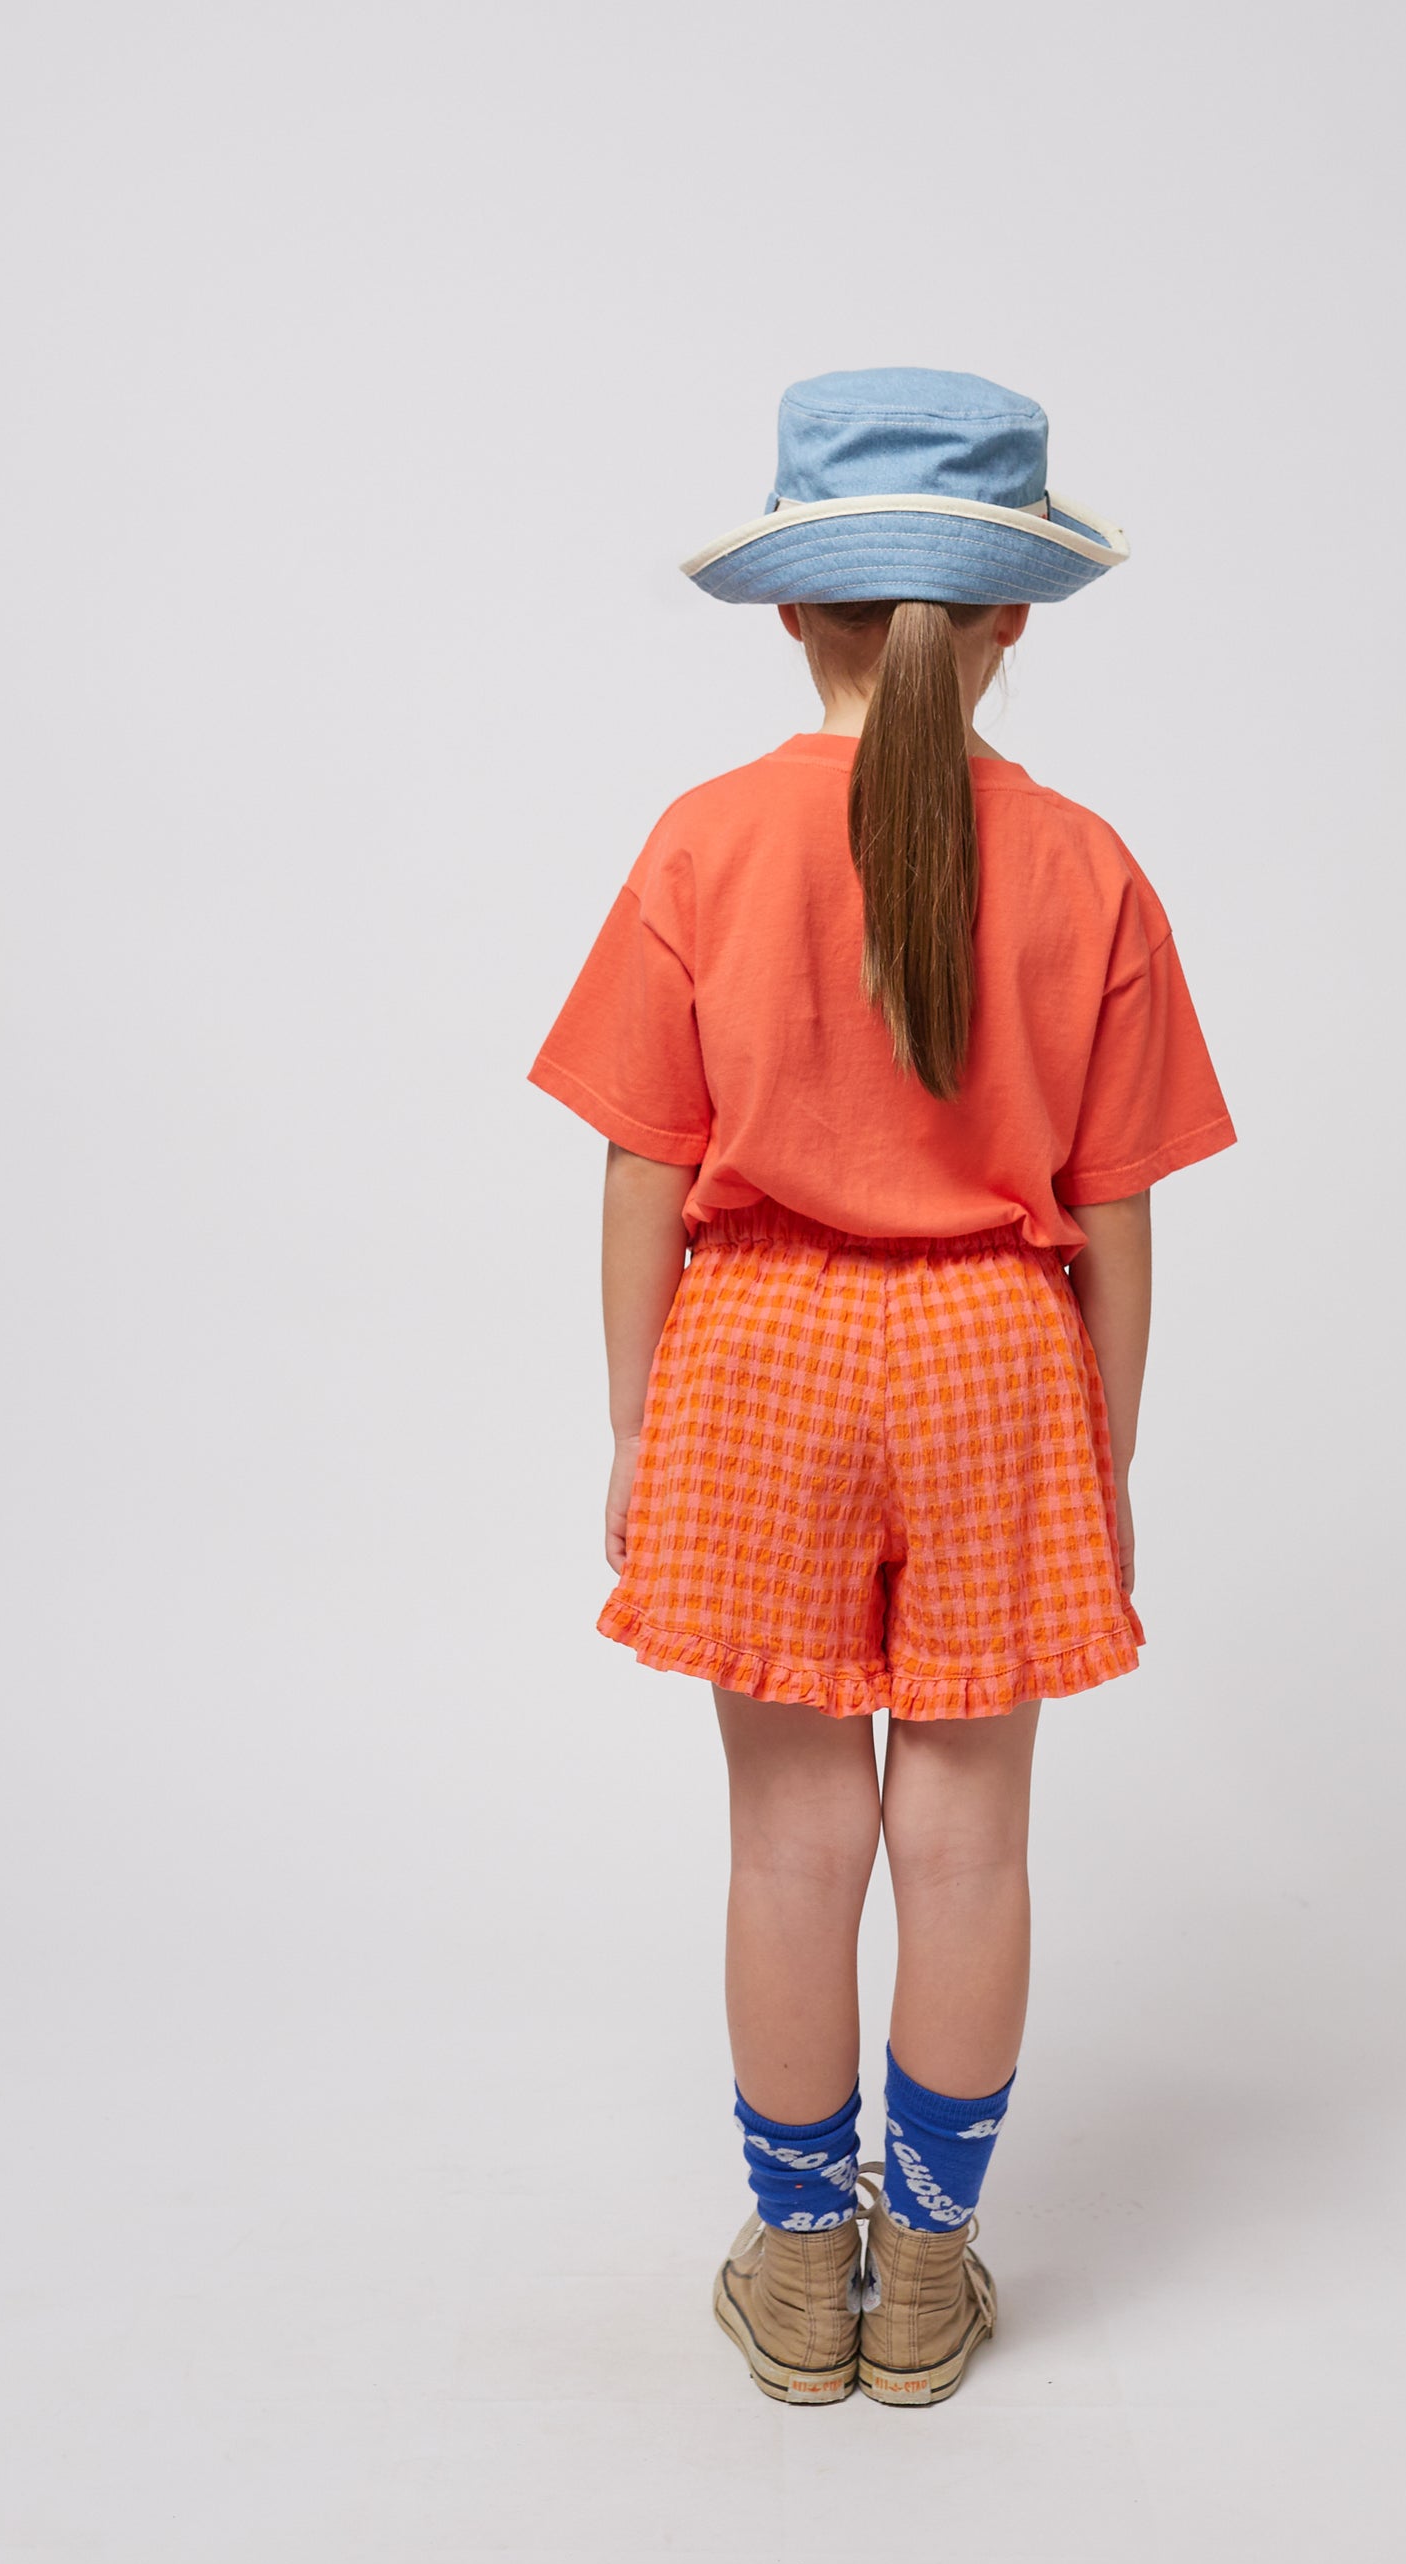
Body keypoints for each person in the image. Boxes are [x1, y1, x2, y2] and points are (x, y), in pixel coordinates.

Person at [529, 368, 1237, 2407]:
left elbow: (639, 1165)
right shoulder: (1088, 865)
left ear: (791, 611)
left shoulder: (704, 843)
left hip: (753, 1343)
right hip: (995, 1358)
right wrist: (1096, 1452)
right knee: (968, 1843)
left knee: (787, 1842)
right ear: (1012, 617)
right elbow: (1112, 1211)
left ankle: (799, 2259)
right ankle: (926, 2281)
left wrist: (635, 1417)